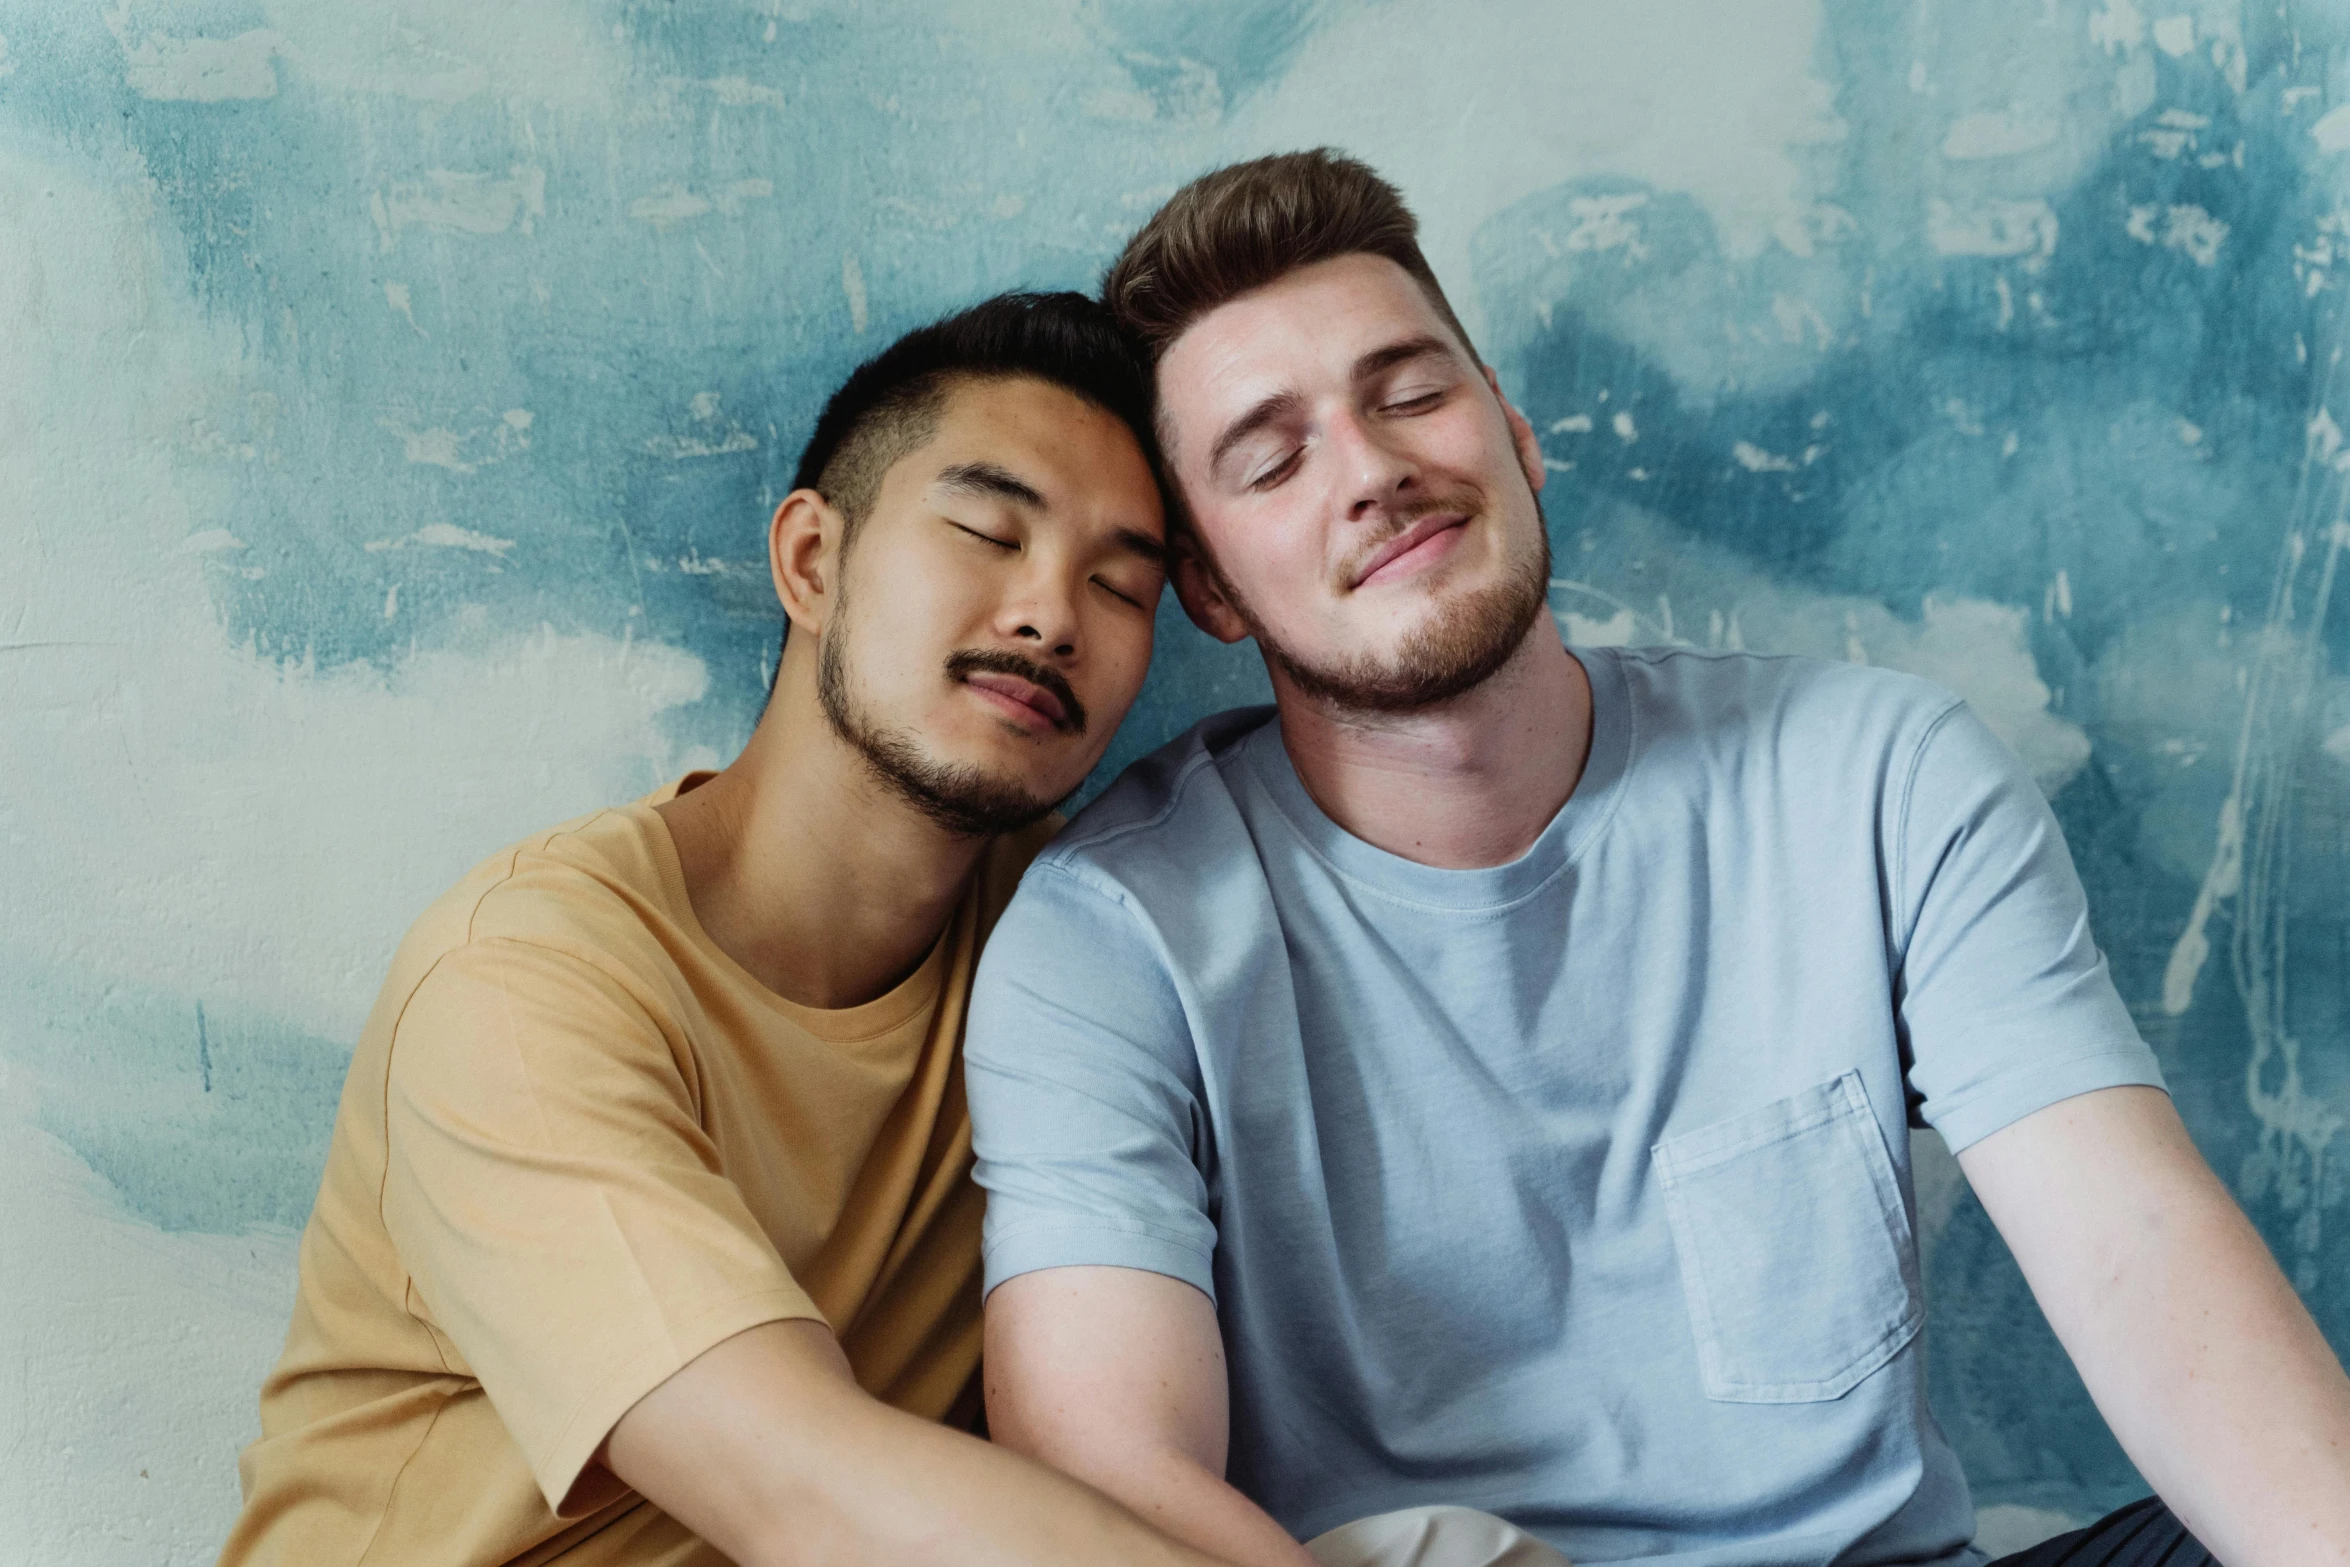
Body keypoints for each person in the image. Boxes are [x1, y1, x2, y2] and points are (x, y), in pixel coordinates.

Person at [965, 152, 2350, 1567]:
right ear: (1209, 585)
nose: (1374, 470)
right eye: (1272, 458)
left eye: (1411, 393)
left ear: (1511, 429)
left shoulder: (1871, 776)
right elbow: (1103, 1478)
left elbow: (2141, 1256)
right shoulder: (1111, 938)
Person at [218, 292, 1234, 1567]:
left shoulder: (1094, 952)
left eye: (1120, 585)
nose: (1051, 616)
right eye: (987, 530)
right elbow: (801, 1490)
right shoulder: (524, 978)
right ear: (812, 561)